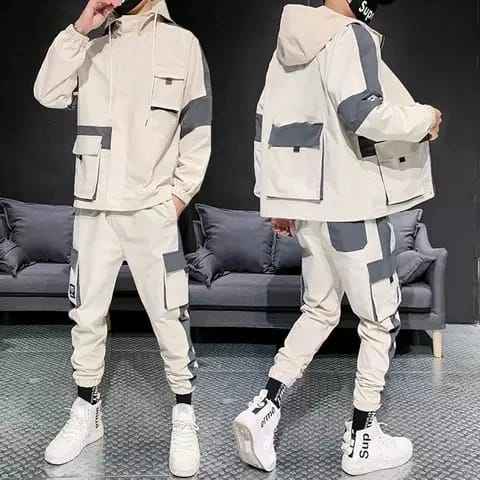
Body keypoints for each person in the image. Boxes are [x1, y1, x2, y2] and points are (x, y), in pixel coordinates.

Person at [233, 0, 442, 476]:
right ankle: (363, 439)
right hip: (353, 207)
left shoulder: (290, 43)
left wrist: (278, 200)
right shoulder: (351, 35)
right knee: (380, 319)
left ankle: (264, 408)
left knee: (320, 311)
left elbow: (266, 122)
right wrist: (424, 119)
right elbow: (362, 113)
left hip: (310, 209)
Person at [33, 0, 212, 476]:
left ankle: (183, 412)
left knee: (170, 315)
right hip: (94, 208)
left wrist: (175, 200)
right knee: (86, 315)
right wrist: (80, 27)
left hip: (152, 210)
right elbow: (47, 92)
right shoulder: (90, 42)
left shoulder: (182, 44)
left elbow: (198, 131)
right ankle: (86, 411)